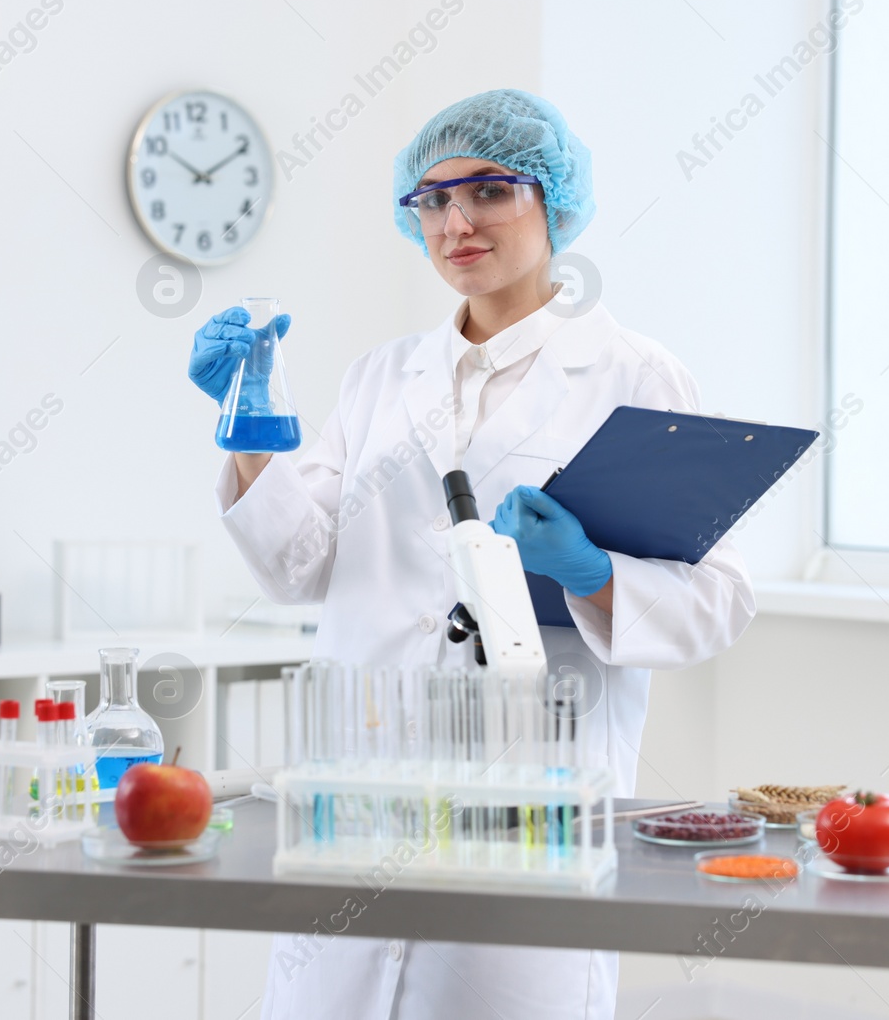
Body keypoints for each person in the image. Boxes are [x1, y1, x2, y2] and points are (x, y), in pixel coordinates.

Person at [188, 88, 755, 1020]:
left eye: (489, 190)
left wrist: (594, 573)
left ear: (553, 202)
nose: (456, 221)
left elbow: (720, 597)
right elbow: (298, 563)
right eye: (432, 200)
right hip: (358, 791)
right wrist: (248, 425)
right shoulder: (381, 376)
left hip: (525, 804)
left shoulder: (633, 376)